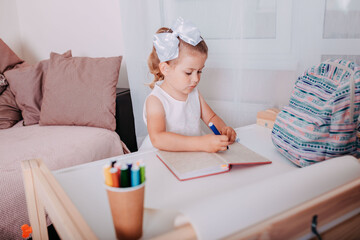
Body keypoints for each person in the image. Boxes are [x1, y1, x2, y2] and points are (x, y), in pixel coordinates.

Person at [140, 17, 237, 152]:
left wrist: (224, 129)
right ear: (165, 69)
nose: (196, 79)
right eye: (188, 72)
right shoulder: (156, 101)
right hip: (165, 157)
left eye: (199, 71)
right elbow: (158, 138)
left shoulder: (193, 93)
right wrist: (201, 144)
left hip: (193, 155)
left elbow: (211, 117)